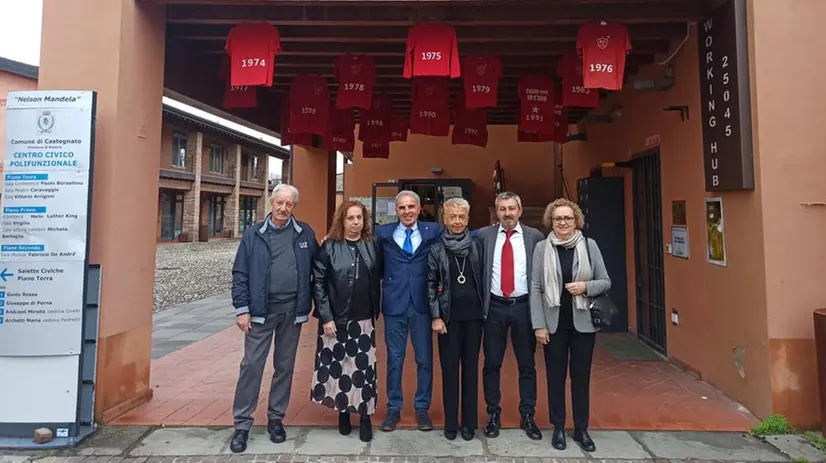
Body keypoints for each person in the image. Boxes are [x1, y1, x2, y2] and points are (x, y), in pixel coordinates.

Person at [228, 184, 319, 454]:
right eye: (279, 203)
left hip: (292, 312)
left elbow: (320, 266)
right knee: (252, 366)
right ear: (271, 203)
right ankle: (242, 424)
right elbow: (240, 273)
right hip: (259, 313)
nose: (283, 208)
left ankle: (276, 419)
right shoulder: (254, 234)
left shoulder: (305, 233)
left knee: (285, 367)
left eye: (289, 204)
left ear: (294, 207)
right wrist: (241, 308)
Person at [530, 198, 611, 452]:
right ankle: (558, 427)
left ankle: (581, 428)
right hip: (554, 324)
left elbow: (605, 281)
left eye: (567, 218)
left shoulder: (589, 245)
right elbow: (536, 288)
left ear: (576, 220)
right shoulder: (542, 248)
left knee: (580, 377)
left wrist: (586, 287)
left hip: (583, 324)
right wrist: (538, 325)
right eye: (557, 218)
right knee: (555, 378)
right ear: (550, 222)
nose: (562, 222)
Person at [310, 200, 383, 442]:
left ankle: (364, 416)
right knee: (339, 368)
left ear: (365, 220)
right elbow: (318, 283)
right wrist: (326, 317)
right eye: (350, 218)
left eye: (359, 218)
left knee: (363, 369)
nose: (355, 223)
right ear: (342, 221)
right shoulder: (329, 246)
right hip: (336, 320)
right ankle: (343, 411)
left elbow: (378, 274)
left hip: (363, 320)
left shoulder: (372, 244)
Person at [477, 191, 545, 441]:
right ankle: (493, 414)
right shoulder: (484, 236)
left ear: (520, 210)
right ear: (496, 212)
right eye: (502, 209)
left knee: (527, 364)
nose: (507, 213)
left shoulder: (535, 237)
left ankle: (528, 414)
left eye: (511, 208)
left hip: (523, 308)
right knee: (492, 363)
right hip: (494, 307)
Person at [375, 190, 442, 432]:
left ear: (418, 207)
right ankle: (394, 408)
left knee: (424, 360)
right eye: (402, 207)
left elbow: (460, 236)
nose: (407, 211)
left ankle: (422, 408)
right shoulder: (383, 233)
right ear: (396, 210)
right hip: (395, 304)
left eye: (411, 207)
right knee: (395, 360)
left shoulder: (432, 231)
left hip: (423, 305)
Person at [426, 197, 484, 441]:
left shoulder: (478, 246)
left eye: (462, 217)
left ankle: (469, 423)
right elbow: (430, 284)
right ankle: (451, 423)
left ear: (468, 219)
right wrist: (436, 316)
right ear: (444, 220)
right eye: (453, 217)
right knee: (449, 371)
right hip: (448, 320)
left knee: (471, 371)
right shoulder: (436, 249)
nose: (457, 221)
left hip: (474, 318)